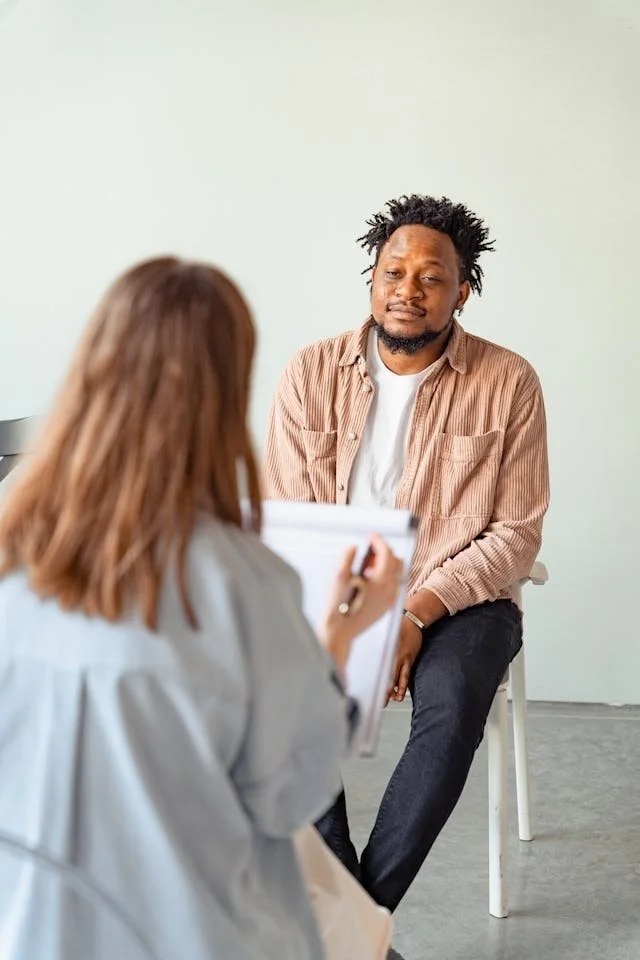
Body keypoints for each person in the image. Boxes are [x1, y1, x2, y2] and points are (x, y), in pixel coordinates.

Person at [0, 257, 403, 960]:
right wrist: (339, 633)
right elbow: (290, 795)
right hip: (190, 934)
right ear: (226, 392)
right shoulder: (242, 582)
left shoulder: (14, 554)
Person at [264, 193, 550, 913]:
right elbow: (293, 517)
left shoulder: (508, 381)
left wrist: (416, 612)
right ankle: (356, 929)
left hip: (459, 599)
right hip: (336, 588)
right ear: (372, 278)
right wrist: (363, 613)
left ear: (464, 291)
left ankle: (353, 922)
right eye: (394, 272)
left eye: (431, 277)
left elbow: (515, 533)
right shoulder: (310, 372)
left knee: (452, 708)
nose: (408, 291)